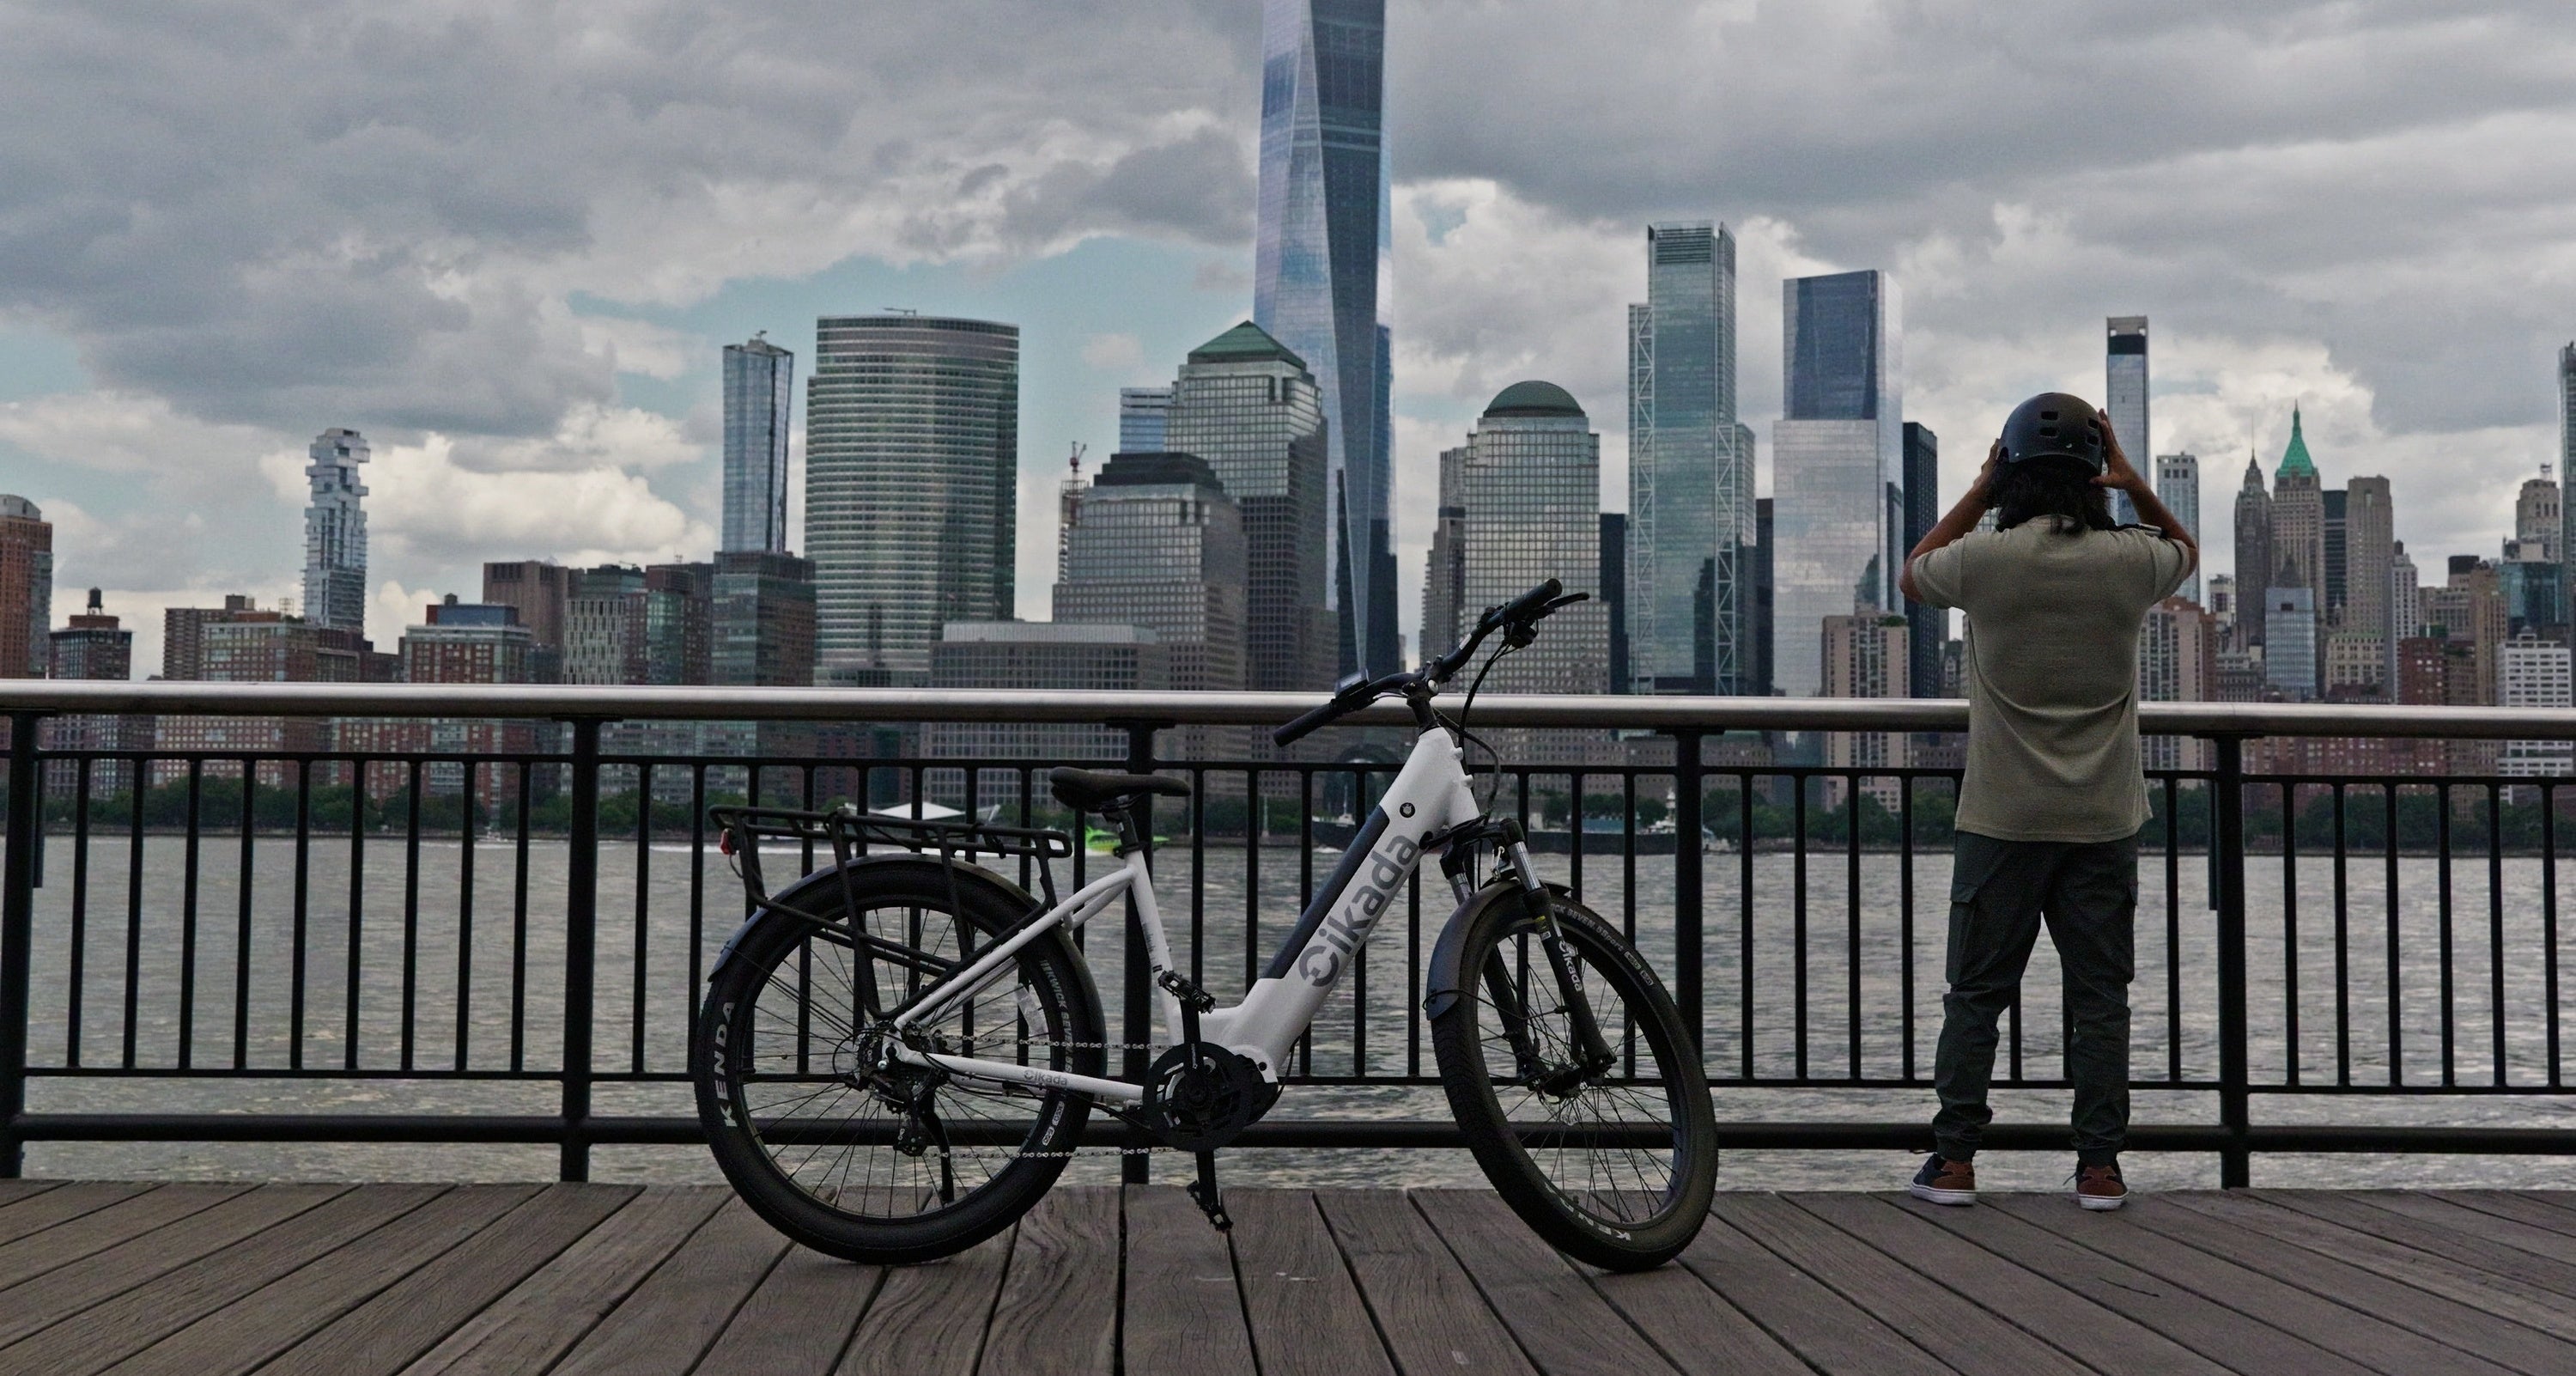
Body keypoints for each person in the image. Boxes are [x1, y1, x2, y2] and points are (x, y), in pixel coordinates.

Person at [1897, 392, 2196, 1212]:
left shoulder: (1987, 561)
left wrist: (1980, 489)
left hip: (2002, 818)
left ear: (2011, 473)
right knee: (2099, 1000)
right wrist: (2132, 482)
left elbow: (1913, 571)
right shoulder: (2131, 560)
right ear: (2095, 473)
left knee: (1976, 997)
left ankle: (1955, 1161)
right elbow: (2186, 547)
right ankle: (2099, 1167)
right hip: (2102, 819)